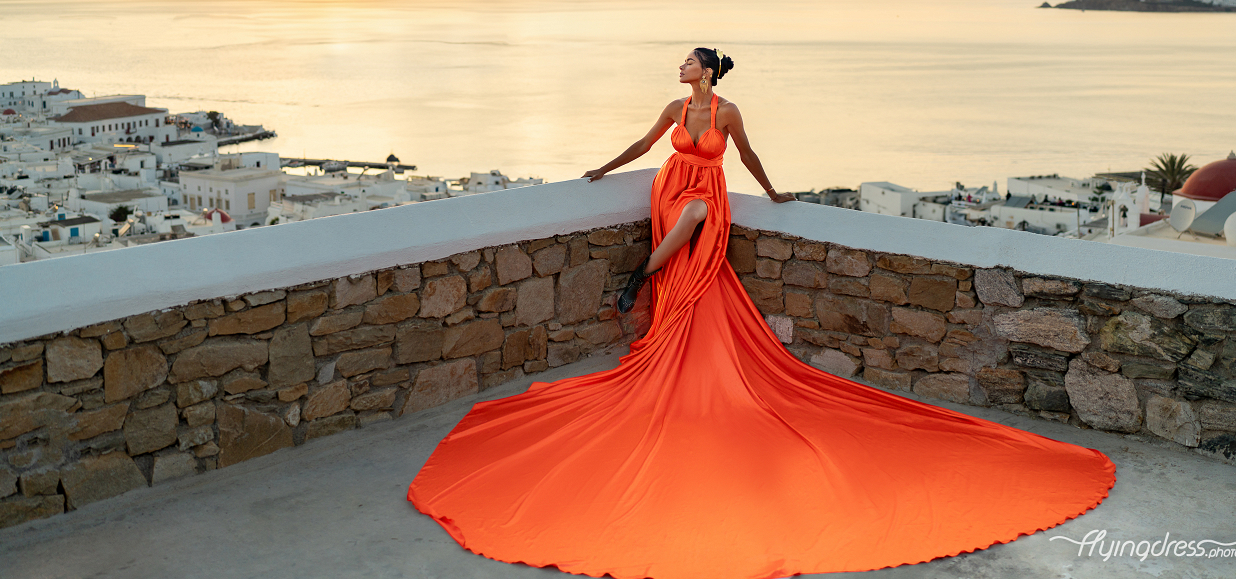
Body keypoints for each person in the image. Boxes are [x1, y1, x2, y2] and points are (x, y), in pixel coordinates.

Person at [407, 47, 1115, 579]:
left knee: (693, 225)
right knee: (677, 223)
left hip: (705, 196)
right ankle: (647, 276)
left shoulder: (726, 113)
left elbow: (743, 158)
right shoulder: (674, 111)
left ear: (708, 71)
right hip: (668, 189)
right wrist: (598, 169)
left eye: (687, 59)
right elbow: (643, 147)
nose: (678, 66)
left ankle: (637, 277)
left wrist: (776, 193)